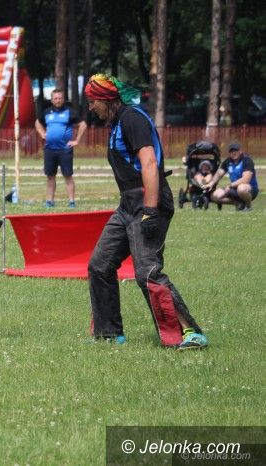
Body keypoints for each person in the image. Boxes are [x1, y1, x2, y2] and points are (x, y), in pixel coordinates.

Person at [84, 73, 207, 350]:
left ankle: (190, 333)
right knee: (100, 265)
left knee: (147, 272)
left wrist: (150, 210)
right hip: (128, 205)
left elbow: (150, 163)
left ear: (106, 99)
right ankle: (108, 335)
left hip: (149, 202)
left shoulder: (132, 119)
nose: (91, 107)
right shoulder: (117, 122)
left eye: (93, 102)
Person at [35, 88, 87, 208]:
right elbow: (37, 122)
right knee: (50, 176)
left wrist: (77, 140)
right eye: (55, 98)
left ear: (63, 99)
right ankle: (50, 201)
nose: (57, 100)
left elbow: (83, 125)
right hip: (49, 149)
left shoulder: (70, 112)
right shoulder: (46, 112)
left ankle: (71, 201)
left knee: (68, 176)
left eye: (60, 98)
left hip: (65, 150)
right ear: (52, 100)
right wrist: (42, 133)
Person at [206, 142, 259, 211]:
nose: (233, 153)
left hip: (249, 190)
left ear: (240, 151)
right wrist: (211, 183)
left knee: (241, 188)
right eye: (231, 151)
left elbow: (246, 180)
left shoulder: (247, 160)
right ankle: (238, 203)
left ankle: (248, 206)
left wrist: (230, 185)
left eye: (235, 151)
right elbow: (219, 174)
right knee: (214, 196)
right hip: (234, 189)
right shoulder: (227, 161)